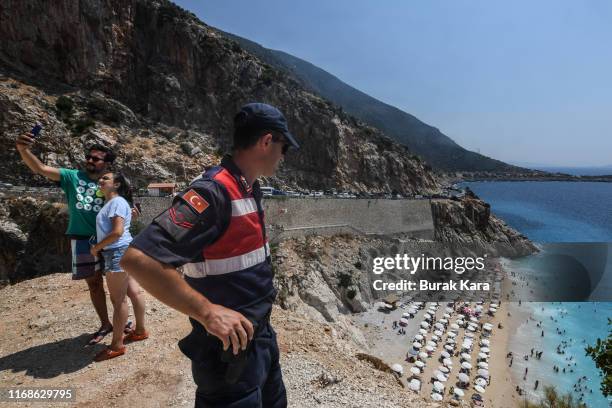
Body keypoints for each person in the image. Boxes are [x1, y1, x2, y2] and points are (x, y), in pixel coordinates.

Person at [121, 102, 299, 407]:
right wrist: (207, 313)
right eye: (284, 147)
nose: (284, 157)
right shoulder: (211, 192)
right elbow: (138, 259)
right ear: (266, 141)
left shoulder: (248, 188)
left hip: (261, 340)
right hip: (227, 354)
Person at [15, 133, 120, 344]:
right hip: (82, 239)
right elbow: (41, 169)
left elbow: (124, 206)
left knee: (117, 283)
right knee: (94, 284)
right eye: (88, 157)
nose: (89, 160)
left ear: (106, 164)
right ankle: (105, 323)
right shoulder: (73, 177)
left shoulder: (112, 182)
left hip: (109, 240)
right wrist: (23, 150)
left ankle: (121, 319)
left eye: (95, 158)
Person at [91, 171, 147, 361]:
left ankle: (116, 345)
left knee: (118, 300)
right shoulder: (119, 202)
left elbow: (116, 232)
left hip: (116, 252)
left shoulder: (115, 202)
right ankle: (139, 330)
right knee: (134, 292)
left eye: (105, 178)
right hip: (125, 250)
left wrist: (96, 248)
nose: (101, 180)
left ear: (116, 184)